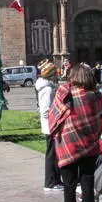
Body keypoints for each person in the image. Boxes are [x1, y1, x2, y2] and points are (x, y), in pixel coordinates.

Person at [48, 64, 102, 202]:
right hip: (89, 144)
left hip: (68, 144)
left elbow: (54, 116)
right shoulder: (95, 96)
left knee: (69, 184)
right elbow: (98, 118)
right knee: (87, 184)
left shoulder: (63, 94)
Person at [35, 59, 62, 192]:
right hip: (50, 126)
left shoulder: (46, 87)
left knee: (53, 153)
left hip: (49, 125)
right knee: (52, 154)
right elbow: (46, 110)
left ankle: (54, 180)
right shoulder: (47, 89)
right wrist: (55, 120)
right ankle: (51, 182)